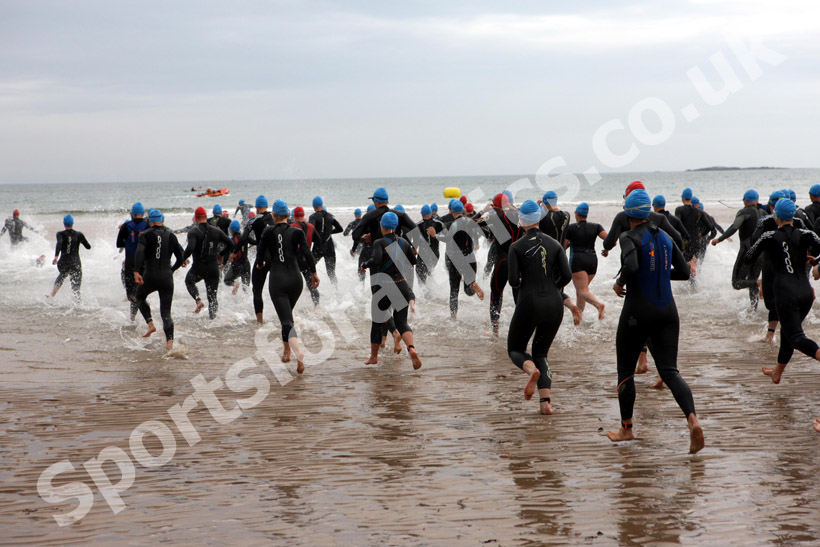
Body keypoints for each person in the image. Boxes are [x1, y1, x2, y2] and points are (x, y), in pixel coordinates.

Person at [607, 189, 704, 454]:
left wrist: (618, 284)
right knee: (670, 371)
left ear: (628, 213)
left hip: (638, 312)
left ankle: (626, 429)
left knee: (625, 371)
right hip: (667, 313)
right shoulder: (664, 236)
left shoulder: (628, 236)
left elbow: (632, 267)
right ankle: (692, 420)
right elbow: (684, 273)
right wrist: (659, 274)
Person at [744, 198, 820, 385]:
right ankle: (777, 372)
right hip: (806, 293)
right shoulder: (806, 234)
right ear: (793, 216)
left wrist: (770, 253)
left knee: (796, 337)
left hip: (785, 295)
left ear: (775, 215)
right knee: (788, 331)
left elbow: (748, 257)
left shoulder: (769, 237)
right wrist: (812, 260)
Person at [507, 200, 572, 415]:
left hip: (529, 303)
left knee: (516, 349)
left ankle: (531, 370)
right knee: (541, 352)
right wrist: (551, 285)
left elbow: (514, 282)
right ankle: (545, 403)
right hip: (555, 304)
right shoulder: (555, 244)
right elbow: (567, 276)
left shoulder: (516, 247)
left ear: (522, 222)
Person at [256, 200, 319, 374]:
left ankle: (298, 353)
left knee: (286, 321)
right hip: (296, 280)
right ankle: (287, 352)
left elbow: (260, 256)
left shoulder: (268, 231)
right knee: (287, 317)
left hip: (278, 281)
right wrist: (314, 273)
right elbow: (307, 253)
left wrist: (260, 265)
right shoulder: (297, 232)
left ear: (274, 215)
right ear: (288, 215)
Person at [362, 212, 422, 369]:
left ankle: (374, 357)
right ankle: (412, 349)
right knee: (402, 322)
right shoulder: (403, 242)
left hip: (384, 285)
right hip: (401, 284)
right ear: (395, 227)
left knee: (377, 321)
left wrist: (365, 264)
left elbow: (376, 260)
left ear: (382, 226)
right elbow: (413, 261)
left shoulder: (379, 242)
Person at [133, 209, 184, 349]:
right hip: (166, 278)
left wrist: (136, 271)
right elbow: (181, 258)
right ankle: (170, 344)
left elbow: (139, 253)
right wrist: (172, 270)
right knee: (166, 313)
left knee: (139, 296)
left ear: (149, 221)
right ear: (162, 220)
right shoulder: (171, 236)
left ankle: (150, 324)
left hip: (150, 276)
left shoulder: (145, 235)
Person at [176, 206, 234, 319]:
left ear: (196, 219)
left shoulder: (193, 232)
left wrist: (182, 259)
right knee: (212, 297)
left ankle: (198, 300)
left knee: (189, 281)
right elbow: (231, 244)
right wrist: (221, 254)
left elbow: (191, 247)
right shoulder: (216, 231)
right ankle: (213, 321)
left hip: (199, 267)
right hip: (213, 268)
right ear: (206, 217)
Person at [711, 189, 764, 309]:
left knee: (736, 283)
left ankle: (759, 283)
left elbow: (735, 226)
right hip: (761, 254)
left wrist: (719, 239)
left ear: (745, 201)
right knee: (752, 280)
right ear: (757, 200)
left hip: (747, 253)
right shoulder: (763, 213)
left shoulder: (744, 212)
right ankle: (753, 310)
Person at [603, 181, 683, 257]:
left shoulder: (621, 218)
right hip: (655, 264)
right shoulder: (659, 218)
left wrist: (608, 248)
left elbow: (608, 244)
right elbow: (677, 237)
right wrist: (674, 259)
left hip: (630, 263)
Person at [438, 200, 485, 319]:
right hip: (470, 258)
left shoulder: (454, 224)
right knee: (469, 291)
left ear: (451, 211)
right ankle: (472, 284)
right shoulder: (469, 221)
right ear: (462, 210)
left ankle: (453, 316)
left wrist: (436, 236)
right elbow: (482, 226)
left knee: (454, 290)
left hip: (457, 259)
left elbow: (448, 239)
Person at [486, 193, 522, 336]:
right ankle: (521, 329)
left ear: (496, 206)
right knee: (519, 297)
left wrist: (485, 212)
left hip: (502, 261)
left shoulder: (493, 218)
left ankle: (495, 331)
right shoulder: (520, 214)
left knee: (496, 295)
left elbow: (491, 238)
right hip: (518, 262)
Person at [564, 202, 607, 320]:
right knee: (582, 290)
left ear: (577, 214)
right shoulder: (596, 226)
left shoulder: (571, 228)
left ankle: (599, 305)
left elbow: (564, 246)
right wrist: (606, 249)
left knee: (582, 290)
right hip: (592, 261)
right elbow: (609, 239)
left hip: (578, 261)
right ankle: (579, 316)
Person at [238, 195, 275, 323]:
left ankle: (260, 321)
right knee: (278, 290)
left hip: (262, 259)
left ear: (257, 207)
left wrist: (234, 252)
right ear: (267, 205)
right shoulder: (275, 217)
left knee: (257, 290)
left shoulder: (253, 220)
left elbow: (242, 238)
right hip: (275, 259)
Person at [116, 202, 148, 320]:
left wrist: (129, 242)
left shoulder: (126, 226)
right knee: (140, 290)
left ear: (132, 214)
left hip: (130, 263)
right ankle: (133, 317)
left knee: (131, 294)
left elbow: (118, 243)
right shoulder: (148, 225)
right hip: (144, 263)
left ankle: (134, 315)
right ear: (142, 213)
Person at [47, 215, 91, 301]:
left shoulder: (60, 234)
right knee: (76, 288)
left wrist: (56, 256)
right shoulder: (79, 234)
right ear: (73, 223)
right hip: (75, 263)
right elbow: (88, 247)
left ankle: (52, 294)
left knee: (63, 274)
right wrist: (81, 240)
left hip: (63, 262)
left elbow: (59, 243)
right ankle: (77, 304)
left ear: (64, 224)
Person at [308, 196, 343, 285]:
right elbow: (340, 229)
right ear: (322, 205)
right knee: (331, 273)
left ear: (313, 206)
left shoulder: (313, 216)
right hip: (329, 247)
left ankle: (310, 288)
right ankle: (336, 291)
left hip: (318, 247)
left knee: (309, 268)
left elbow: (311, 229)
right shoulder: (330, 216)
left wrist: (316, 238)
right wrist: (329, 232)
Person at [292, 206, 322, 306]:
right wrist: (312, 255)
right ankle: (317, 307)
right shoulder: (311, 227)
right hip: (307, 260)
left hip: (294, 261)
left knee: (291, 286)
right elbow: (319, 243)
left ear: (294, 216)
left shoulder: (291, 226)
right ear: (303, 215)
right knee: (311, 286)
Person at [415, 204, 444, 286]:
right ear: (431, 213)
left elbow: (416, 241)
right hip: (435, 255)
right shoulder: (439, 224)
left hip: (423, 255)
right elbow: (448, 236)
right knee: (428, 273)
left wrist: (414, 249)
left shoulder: (417, 225)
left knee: (421, 277)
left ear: (421, 214)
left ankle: (426, 296)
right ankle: (432, 292)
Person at [223, 220, 251, 295]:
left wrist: (223, 264)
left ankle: (235, 284)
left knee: (227, 280)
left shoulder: (231, 240)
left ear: (231, 230)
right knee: (246, 289)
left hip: (237, 265)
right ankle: (247, 305)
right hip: (246, 265)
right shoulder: (245, 238)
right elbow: (255, 242)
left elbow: (226, 254)